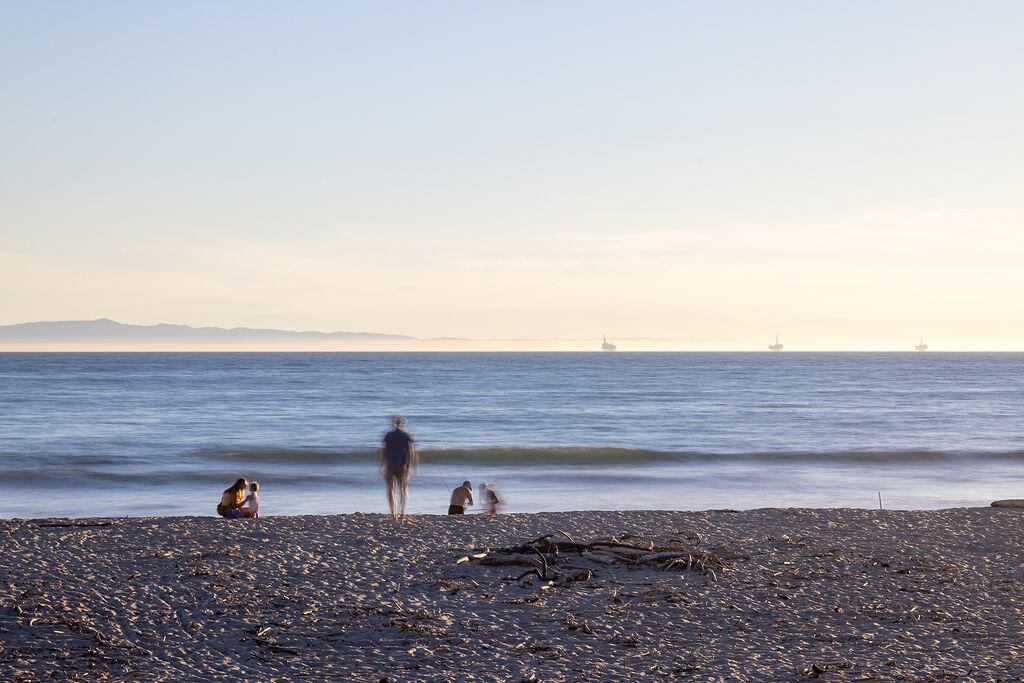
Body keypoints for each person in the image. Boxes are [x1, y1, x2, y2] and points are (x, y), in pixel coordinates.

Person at [380, 415, 417, 521]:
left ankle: (393, 514)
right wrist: (413, 466)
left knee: (390, 489)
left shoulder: (388, 435)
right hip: (403, 465)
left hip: (390, 464)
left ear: (394, 424)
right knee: (403, 489)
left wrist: (381, 464)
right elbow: (411, 451)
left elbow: (384, 451)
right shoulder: (406, 435)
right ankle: (402, 513)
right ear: (403, 424)